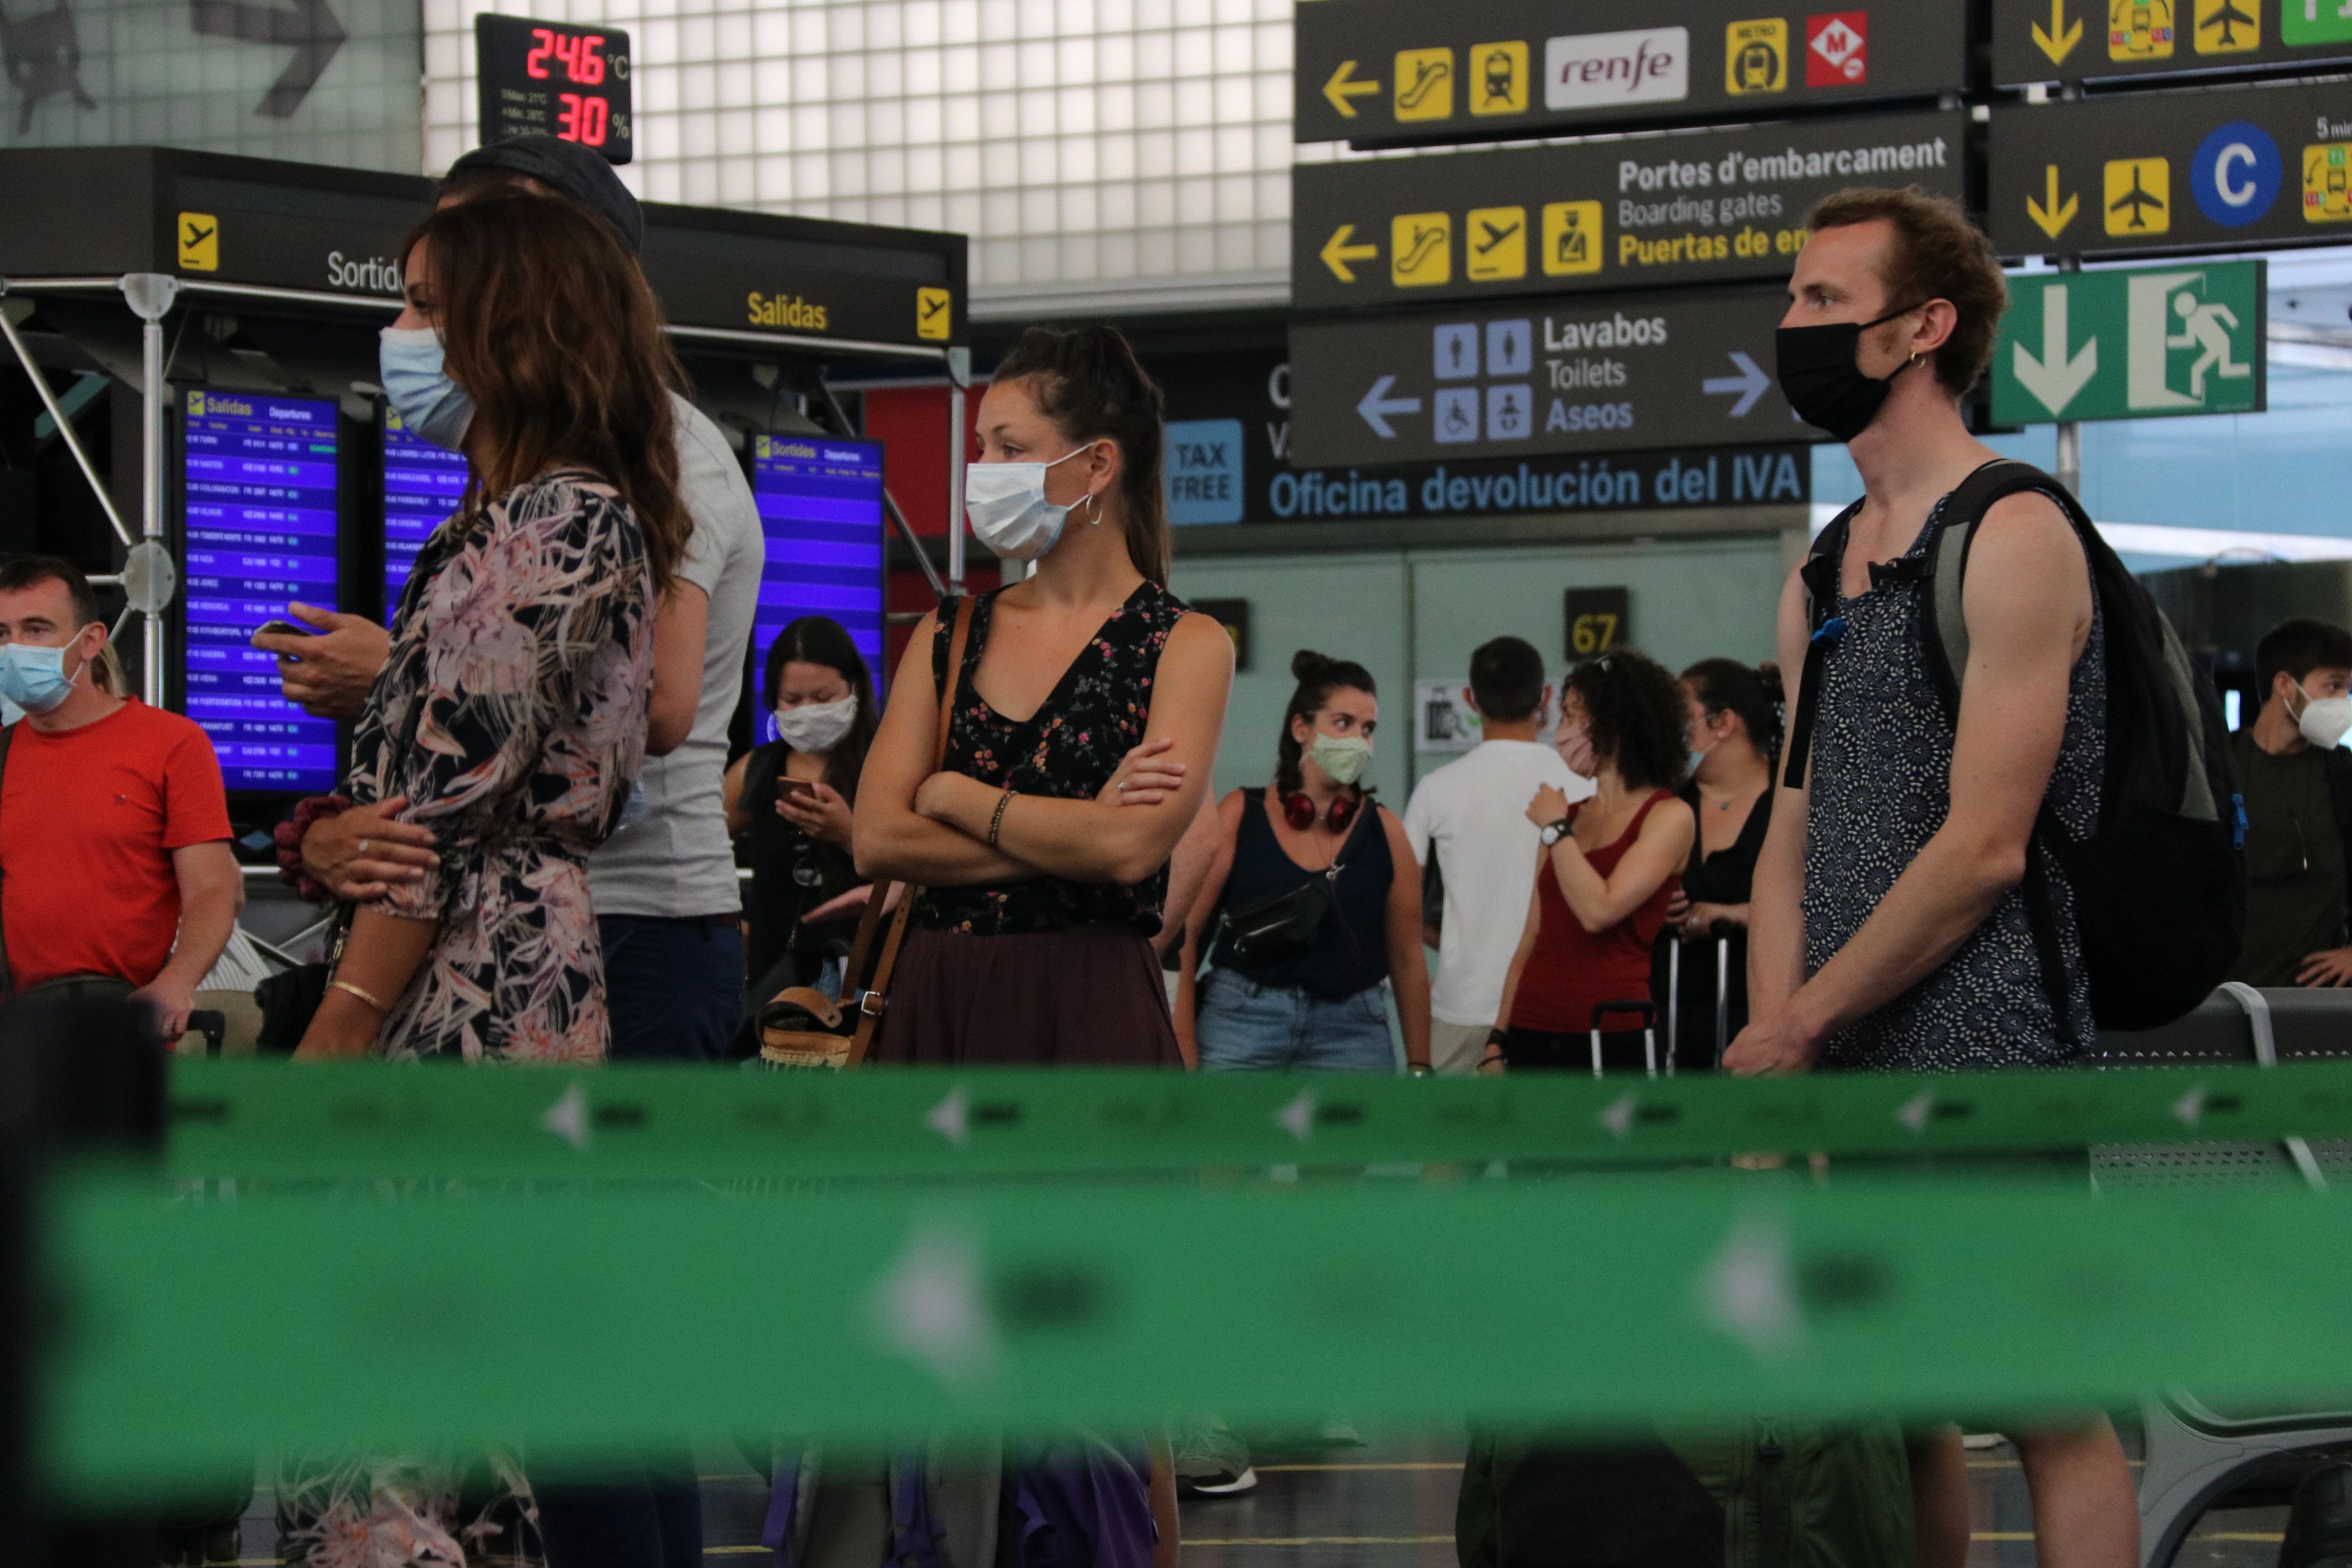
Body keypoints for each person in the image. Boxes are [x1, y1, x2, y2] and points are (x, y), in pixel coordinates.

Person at [1722, 187, 2136, 1568]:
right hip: (1841, 1040)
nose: (1792, 325)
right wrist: (1780, 1032)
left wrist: (1798, 1021)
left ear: (1924, 328)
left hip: (1986, 1042)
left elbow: (1983, 845)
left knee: (2037, 1395)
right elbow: (1791, 826)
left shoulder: (2012, 530)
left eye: (1825, 302)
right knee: (1895, 1397)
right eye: (1794, 298)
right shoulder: (1825, 567)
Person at [264, 133, 765, 1066]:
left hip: (611, 924)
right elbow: (423, 785)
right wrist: (328, 834)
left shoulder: (597, 494)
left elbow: (646, 710)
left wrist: (346, 1015)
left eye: (430, 302)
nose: (404, 330)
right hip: (465, 932)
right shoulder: (500, 503)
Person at [851, 323, 1227, 1566]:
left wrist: (962, 796)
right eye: (979, 448)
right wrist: (1054, 827)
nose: (982, 473)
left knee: (1105, 1371)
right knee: (933, 1357)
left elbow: (1131, 856)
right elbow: (874, 836)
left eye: (1009, 446)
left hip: (1085, 1012)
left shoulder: (1186, 642)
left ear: (1094, 463)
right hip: (942, 1008)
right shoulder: (947, 633)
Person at [0, 556, 241, 1036]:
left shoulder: (172, 744)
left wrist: (176, 982)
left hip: (124, 1029)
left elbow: (215, 890)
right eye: (2, 634)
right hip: (21, 1037)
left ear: (91, 640)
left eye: (36, 629)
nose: (14, 650)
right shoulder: (5, 752)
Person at [1177, 651, 1431, 1072]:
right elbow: (1187, 938)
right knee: (1225, 1139)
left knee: (1360, 1140)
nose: (1358, 740)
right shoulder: (1241, 813)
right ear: (1301, 727)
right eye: (1343, 723)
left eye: (1368, 729)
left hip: (1353, 1029)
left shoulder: (1386, 831)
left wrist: (1421, 1064)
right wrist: (1182, 1040)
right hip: (1241, 1018)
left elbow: (1407, 959)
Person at [1485, 650, 1694, 1075]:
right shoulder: (1568, 813)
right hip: (1532, 1025)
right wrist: (1497, 1039)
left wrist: (1557, 830)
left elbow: (1599, 910)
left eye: (1571, 717)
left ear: (1612, 722)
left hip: (1611, 1028)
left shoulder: (1668, 816)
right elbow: (1531, 937)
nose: (1561, 732)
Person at [1402, 635, 1586, 1075]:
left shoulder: (1436, 789)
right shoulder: (1582, 785)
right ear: (1545, 698)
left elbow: (1402, 907)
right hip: (1554, 1004)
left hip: (1463, 1005)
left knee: (1451, 1143)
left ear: (1469, 699)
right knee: (1546, 1142)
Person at [725, 616, 878, 1005]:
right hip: (774, 985)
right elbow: (698, 846)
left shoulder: (886, 765)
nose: (807, 711)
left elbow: (918, 868)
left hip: (865, 980)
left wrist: (848, 835)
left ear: (854, 688)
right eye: (792, 700)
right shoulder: (756, 771)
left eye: (823, 699)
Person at [1652, 658, 1781, 1070]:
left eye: (1681, 714)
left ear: (1724, 722)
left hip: (1758, 1009)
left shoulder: (1791, 800)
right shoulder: (1666, 803)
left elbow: (1821, 901)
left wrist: (1737, 915)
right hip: (1668, 1010)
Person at [2227, 618, 2352, 987]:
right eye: (2333, 685)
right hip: (2226, 991)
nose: (2342, 701)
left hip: (2317, 1001)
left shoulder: (2342, 775)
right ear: (2284, 684)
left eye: (2347, 689)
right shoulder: (2220, 763)